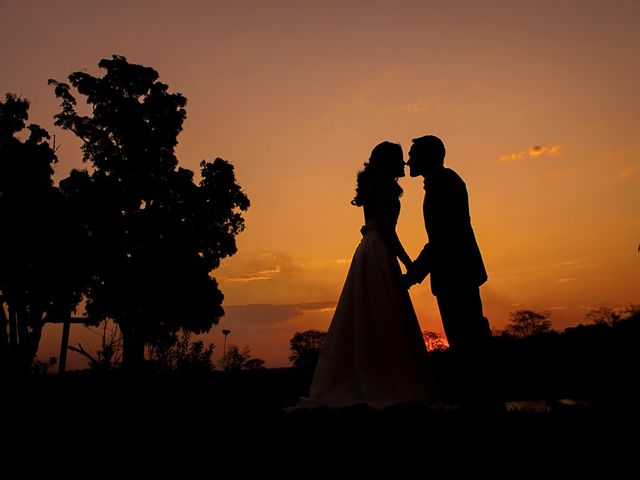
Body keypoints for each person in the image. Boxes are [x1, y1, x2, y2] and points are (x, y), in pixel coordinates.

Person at [294, 141, 437, 409]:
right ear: (389, 162)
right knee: (383, 314)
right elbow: (385, 229)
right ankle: (382, 381)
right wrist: (409, 262)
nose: (404, 164)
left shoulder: (378, 185)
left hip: (370, 249)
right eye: (399, 159)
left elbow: (377, 225)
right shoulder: (382, 186)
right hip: (378, 251)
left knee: (374, 314)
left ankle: (374, 375)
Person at [403, 134, 501, 410]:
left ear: (427, 157)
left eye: (413, 155)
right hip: (457, 273)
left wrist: (412, 275)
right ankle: (482, 401)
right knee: (468, 340)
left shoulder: (444, 184)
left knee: (468, 340)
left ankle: (483, 403)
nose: (408, 161)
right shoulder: (441, 182)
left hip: (456, 273)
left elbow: (442, 238)